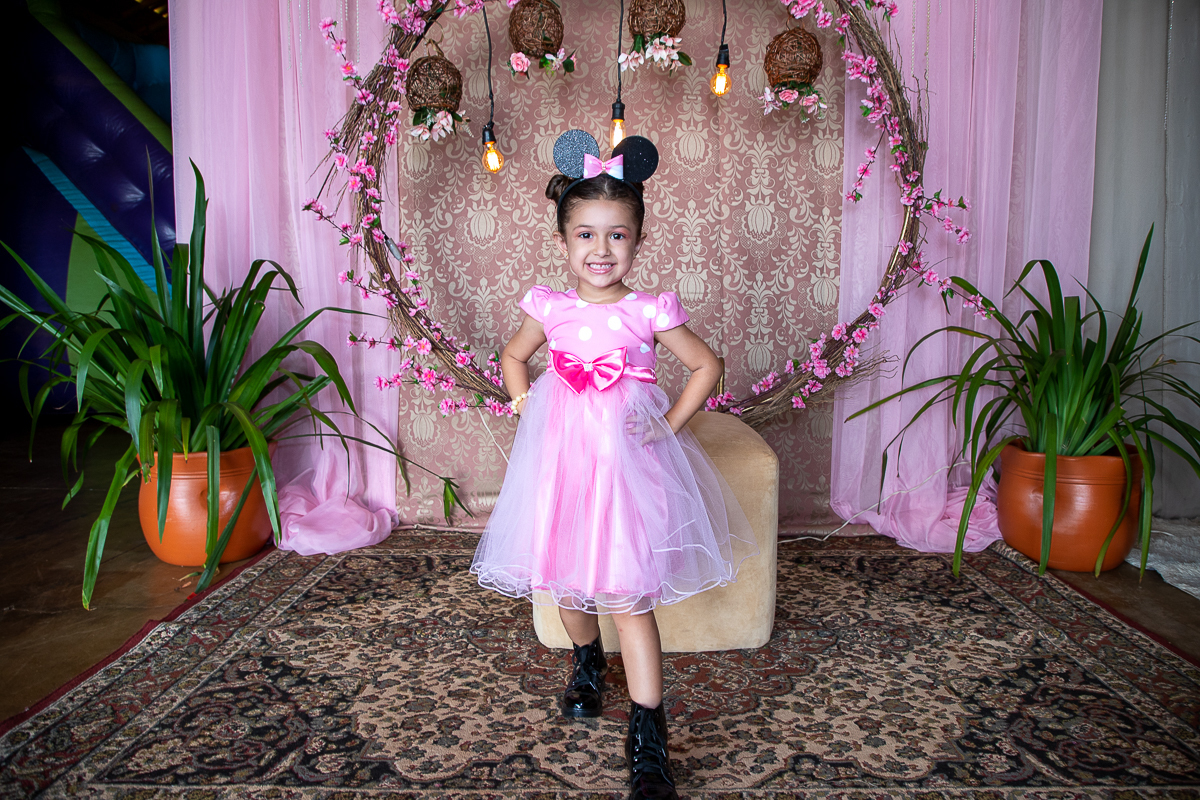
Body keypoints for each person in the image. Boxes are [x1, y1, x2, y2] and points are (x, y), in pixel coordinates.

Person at [471, 131, 756, 800]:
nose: (601, 250)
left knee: (629, 598)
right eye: (586, 235)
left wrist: (667, 424)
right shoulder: (550, 307)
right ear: (563, 241)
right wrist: (525, 402)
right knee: (569, 590)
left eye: (618, 236)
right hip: (565, 468)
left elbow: (706, 365)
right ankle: (586, 659)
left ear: (639, 241)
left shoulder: (647, 311)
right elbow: (513, 357)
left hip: (627, 471)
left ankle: (648, 740)